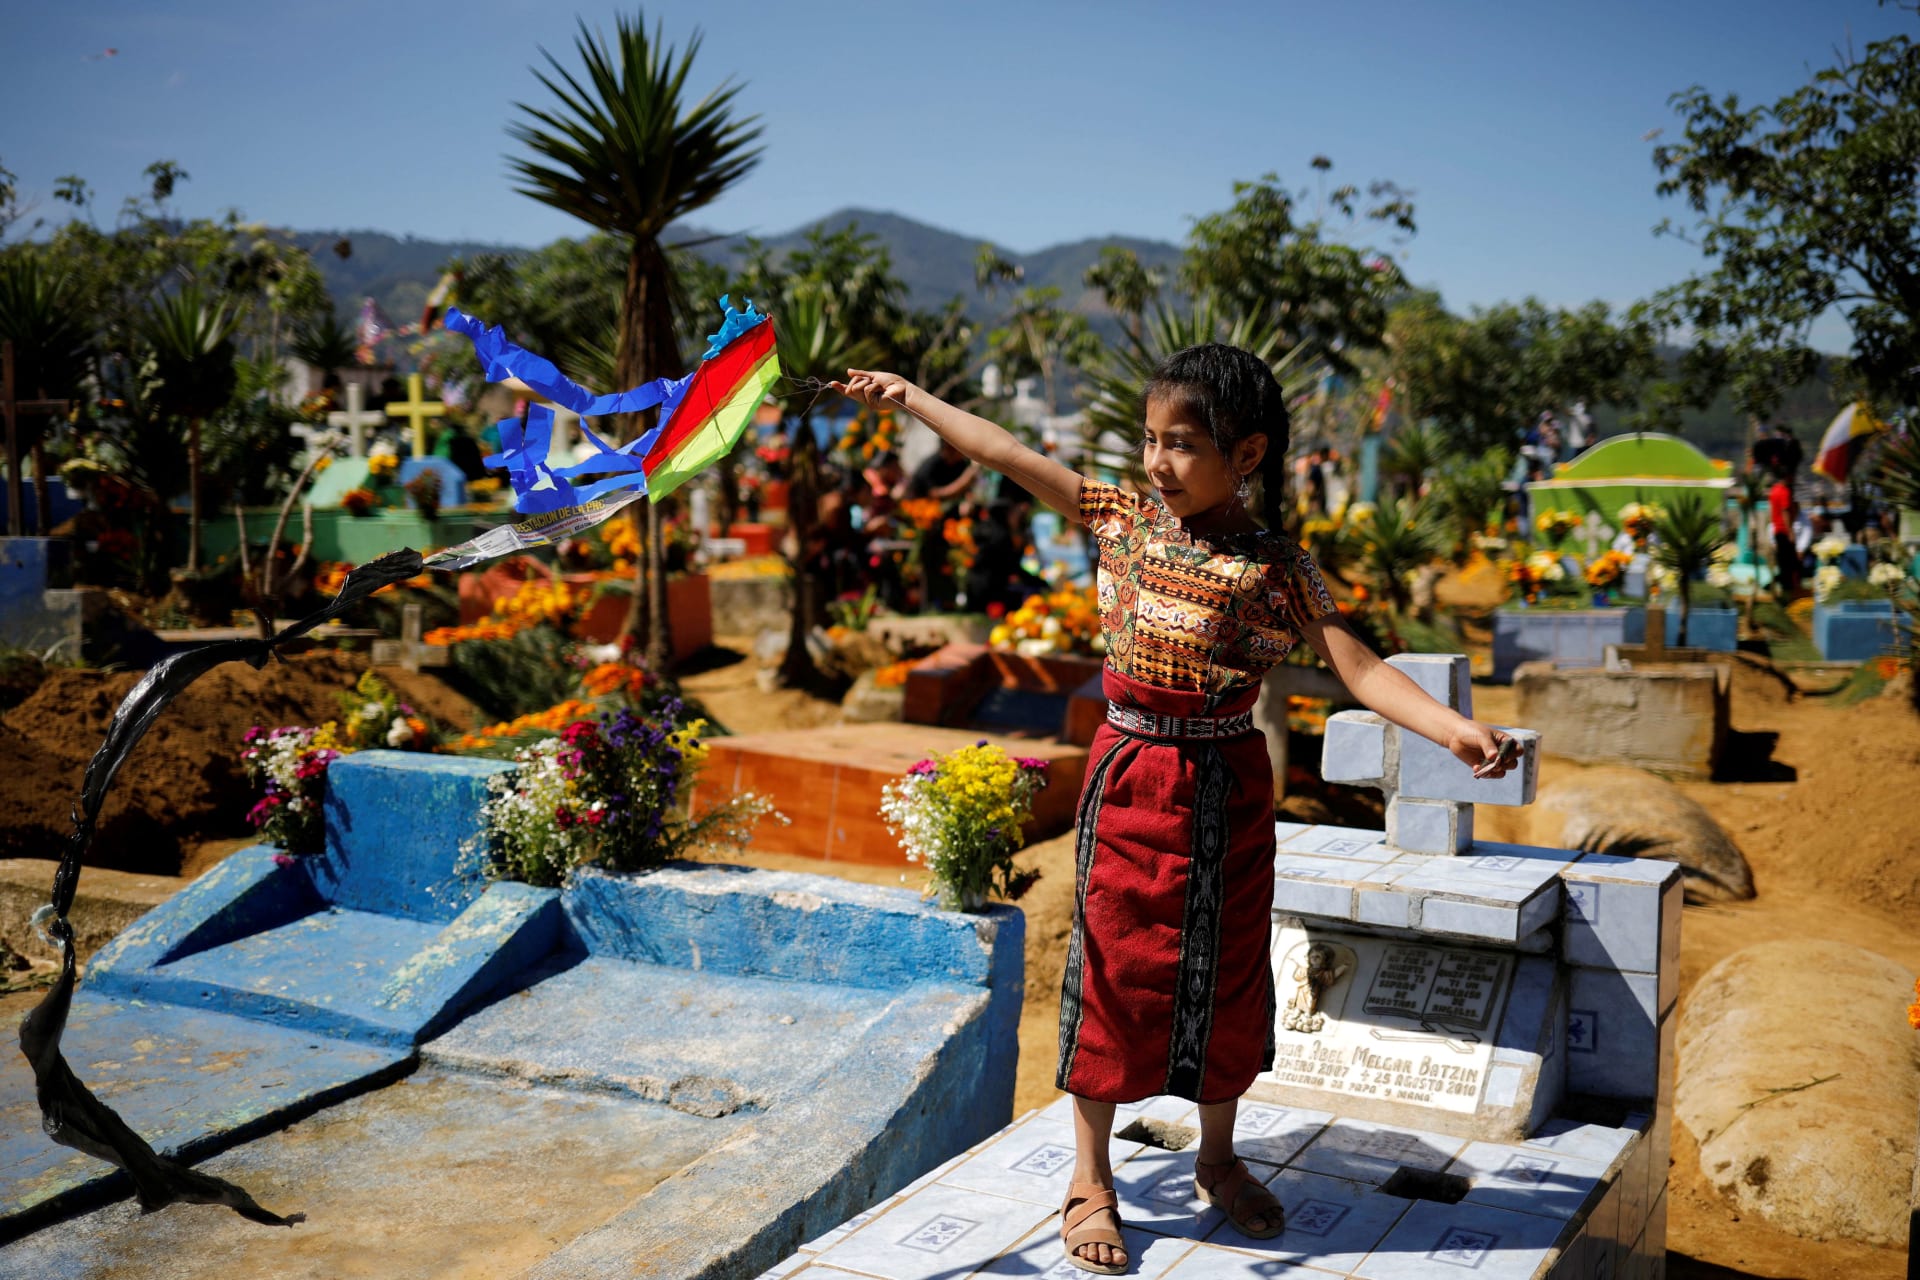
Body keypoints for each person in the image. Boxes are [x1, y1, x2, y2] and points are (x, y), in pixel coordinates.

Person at [833, 345, 1516, 1275]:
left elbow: (1357, 667)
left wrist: (1451, 730)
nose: (1157, 462)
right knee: (1115, 967)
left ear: (1247, 454)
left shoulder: (1277, 568)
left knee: (1227, 969)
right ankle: (1090, 1179)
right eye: (1150, 440)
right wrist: (909, 395)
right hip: (1130, 779)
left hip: (1228, 786)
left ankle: (1219, 1157)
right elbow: (1000, 450)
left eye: (1182, 444)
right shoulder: (1120, 519)